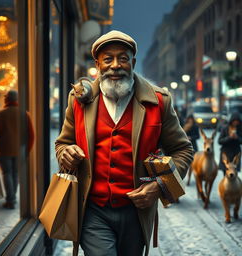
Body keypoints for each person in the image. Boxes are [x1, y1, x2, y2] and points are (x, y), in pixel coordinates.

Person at [55, 30, 193, 256]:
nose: (115, 65)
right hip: (92, 209)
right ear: (97, 64)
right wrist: (65, 153)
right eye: (108, 59)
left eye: (123, 58)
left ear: (133, 62)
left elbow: (183, 150)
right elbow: (63, 143)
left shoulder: (158, 102)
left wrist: (159, 186)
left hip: (137, 213)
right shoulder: (79, 100)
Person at [0, 90, 34, 209]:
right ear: (16, 99)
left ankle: (10, 200)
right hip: (20, 151)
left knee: (7, 173)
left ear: (7, 99)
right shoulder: (25, 114)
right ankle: (12, 198)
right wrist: (27, 150)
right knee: (15, 174)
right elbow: (31, 135)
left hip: (4, 150)